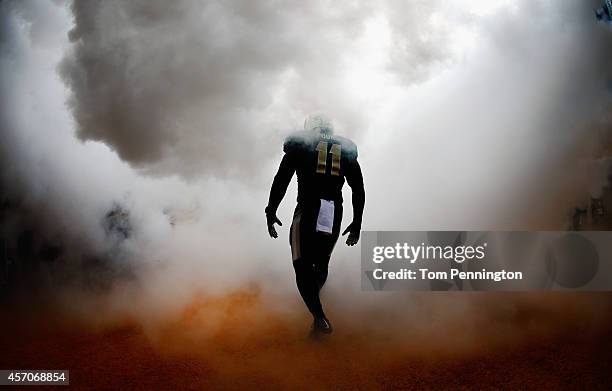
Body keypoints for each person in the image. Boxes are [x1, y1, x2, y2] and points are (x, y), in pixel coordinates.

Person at [265, 114, 365, 334]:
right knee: (321, 265)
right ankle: (316, 315)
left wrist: (271, 210)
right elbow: (358, 188)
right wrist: (357, 221)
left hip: (308, 208)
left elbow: (281, 179)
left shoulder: (300, 144)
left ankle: (319, 317)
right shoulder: (345, 148)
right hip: (333, 210)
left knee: (301, 265)